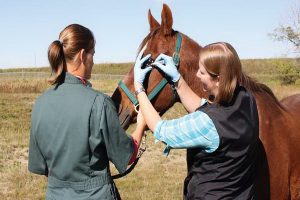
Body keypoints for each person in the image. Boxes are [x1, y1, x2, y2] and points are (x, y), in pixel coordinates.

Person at [28, 24, 146, 200]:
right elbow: (126, 155)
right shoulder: (99, 103)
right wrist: (142, 124)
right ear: (83, 55)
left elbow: (40, 166)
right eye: (93, 54)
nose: (93, 61)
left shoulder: (40, 103)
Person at [134, 42, 260, 199]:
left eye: (202, 72)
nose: (197, 75)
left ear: (219, 79)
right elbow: (203, 108)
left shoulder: (208, 123)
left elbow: (162, 130)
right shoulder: (246, 98)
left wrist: (139, 88)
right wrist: (178, 81)